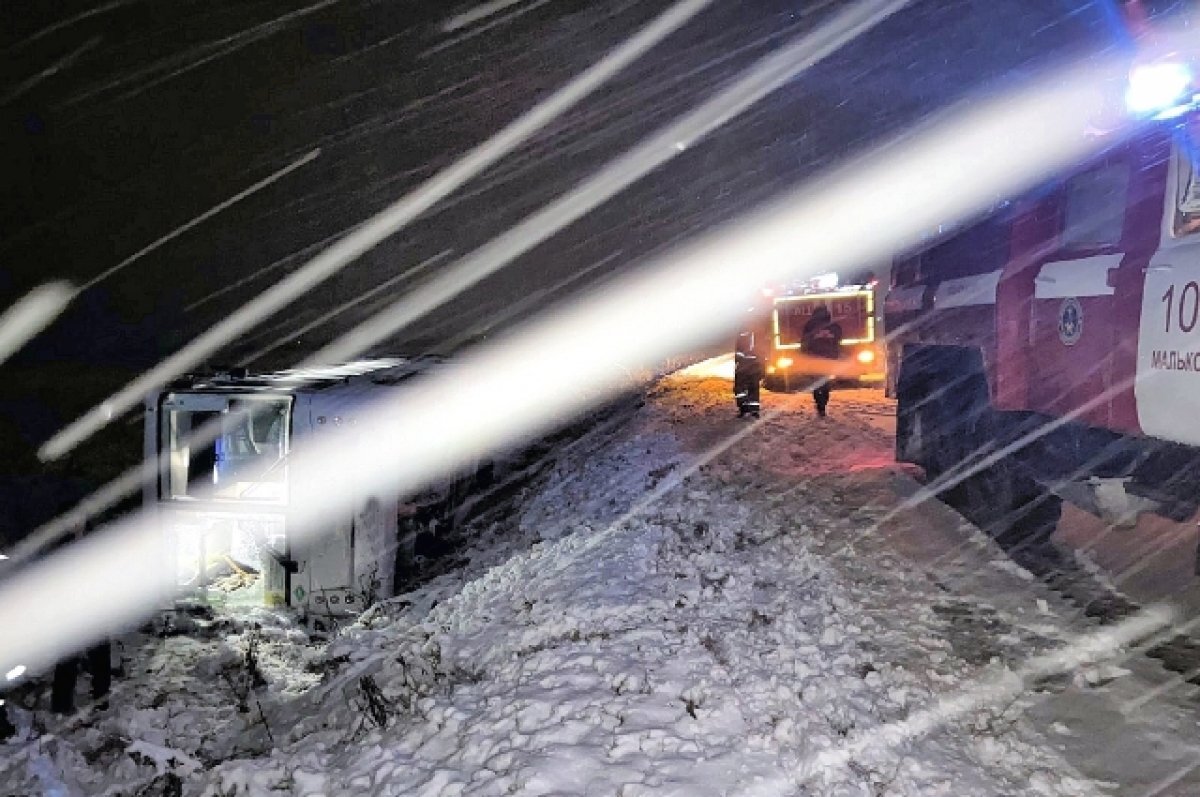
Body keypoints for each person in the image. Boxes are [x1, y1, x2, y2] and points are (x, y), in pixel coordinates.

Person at [802, 305, 843, 418]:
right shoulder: (834, 326)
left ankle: (819, 404)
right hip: (829, 359)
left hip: (814, 359)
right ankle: (823, 404)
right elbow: (838, 339)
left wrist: (805, 355)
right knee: (825, 383)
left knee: (815, 383)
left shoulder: (809, 325)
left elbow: (804, 341)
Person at [733, 331, 764, 418]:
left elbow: (738, 353)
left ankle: (744, 408)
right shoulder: (760, 334)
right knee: (753, 388)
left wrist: (738, 363)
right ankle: (753, 410)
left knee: (740, 388)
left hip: (744, 367)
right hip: (754, 366)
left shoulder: (741, 335)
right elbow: (763, 352)